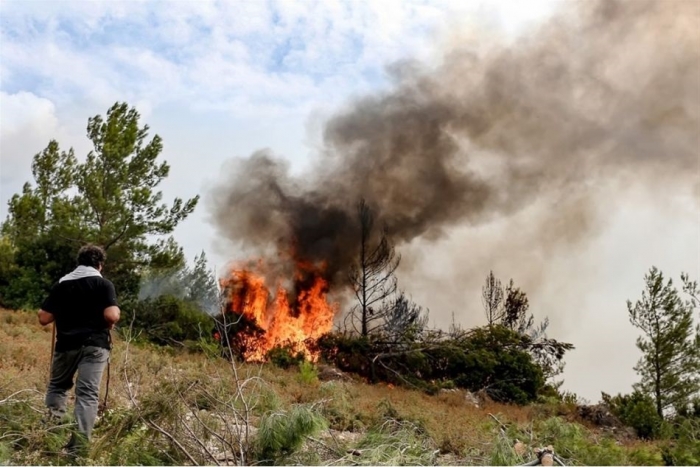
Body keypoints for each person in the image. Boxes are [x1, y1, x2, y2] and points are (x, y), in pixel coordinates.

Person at [38, 244, 120, 453]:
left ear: (78, 263)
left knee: (57, 387)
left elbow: (44, 317)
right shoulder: (104, 285)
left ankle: (52, 442)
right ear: (100, 265)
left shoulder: (61, 285)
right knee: (87, 394)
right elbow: (111, 316)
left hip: (66, 346)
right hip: (94, 346)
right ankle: (78, 450)